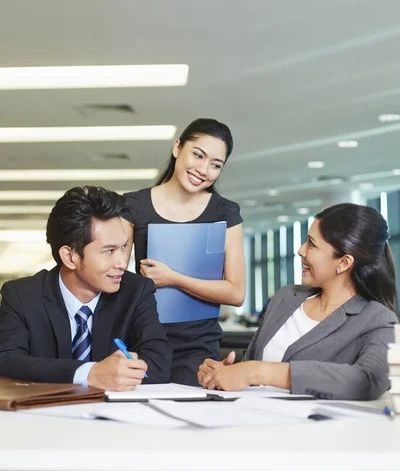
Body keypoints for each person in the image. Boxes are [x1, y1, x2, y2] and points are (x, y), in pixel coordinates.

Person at [198, 203, 399, 400]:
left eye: (312, 244)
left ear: (344, 262)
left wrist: (257, 372)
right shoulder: (286, 297)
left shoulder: (376, 318)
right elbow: (252, 363)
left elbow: (371, 380)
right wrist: (226, 372)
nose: (301, 250)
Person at [0, 186, 172, 390]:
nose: (122, 263)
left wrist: (120, 373)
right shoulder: (21, 296)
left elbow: (159, 363)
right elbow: (6, 360)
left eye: (124, 248)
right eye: (109, 251)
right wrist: (89, 373)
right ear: (70, 257)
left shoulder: (136, 291)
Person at [123, 118, 246, 386]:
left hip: (198, 346)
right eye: (198, 155)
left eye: (216, 165)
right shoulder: (134, 205)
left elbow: (236, 293)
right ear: (177, 148)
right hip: (144, 338)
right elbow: (115, 277)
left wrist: (173, 278)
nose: (203, 169)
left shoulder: (224, 212)